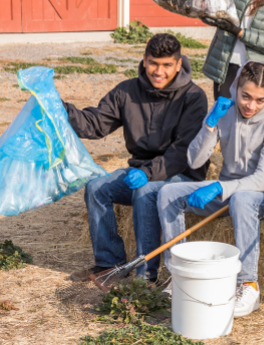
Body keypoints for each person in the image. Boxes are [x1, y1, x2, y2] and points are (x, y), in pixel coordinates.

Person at [66, 34, 208, 281]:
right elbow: (95, 124)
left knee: (145, 191)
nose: (159, 71)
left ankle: (145, 277)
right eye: (153, 63)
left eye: (166, 65)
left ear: (178, 64)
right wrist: (62, 110)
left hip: (181, 174)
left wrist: (148, 173)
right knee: (96, 188)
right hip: (141, 171)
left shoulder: (194, 97)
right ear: (144, 60)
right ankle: (109, 264)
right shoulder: (127, 91)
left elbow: (182, 152)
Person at [155, 61, 264, 317]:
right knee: (168, 194)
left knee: (242, 199)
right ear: (235, 87)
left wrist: (218, 186)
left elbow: (262, 180)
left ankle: (249, 284)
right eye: (245, 96)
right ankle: (179, 277)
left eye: (260, 100)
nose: (251, 106)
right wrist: (210, 124)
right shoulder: (224, 110)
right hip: (228, 189)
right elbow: (194, 161)